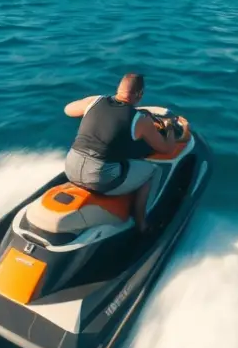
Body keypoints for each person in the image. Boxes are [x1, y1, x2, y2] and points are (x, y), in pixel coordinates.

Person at [63, 73, 187, 233]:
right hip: (99, 178)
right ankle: (141, 222)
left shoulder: (95, 101)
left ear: (118, 89)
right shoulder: (140, 119)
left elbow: (68, 110)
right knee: (151, 171)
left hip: (70, 168)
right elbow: (167, 148)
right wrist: (169, 127)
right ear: (140, 94)